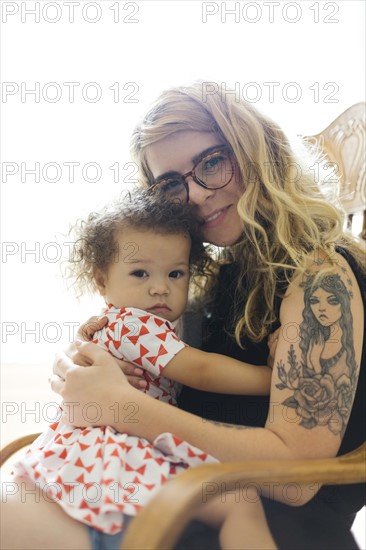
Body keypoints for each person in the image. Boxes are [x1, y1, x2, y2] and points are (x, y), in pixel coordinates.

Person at [1, 81, 365, 550]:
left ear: (258, 152)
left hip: (264, 525)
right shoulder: (217, 277)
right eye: (170, 183)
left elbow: (296, 479)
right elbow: (158, 361)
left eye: (211, 162)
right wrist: (83, 360)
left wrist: (124, 407)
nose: (193, 193)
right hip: (182, 491)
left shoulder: (321, 275)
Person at [6, 190, 274, 550]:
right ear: (102, 281)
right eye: (140, 273)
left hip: (103, 445)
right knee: (240, 503)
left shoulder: (116, 322)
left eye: (176, 273)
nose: (160, 287)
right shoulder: (137, 326)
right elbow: (203, 371)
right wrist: (273, 379)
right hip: (115, 448)